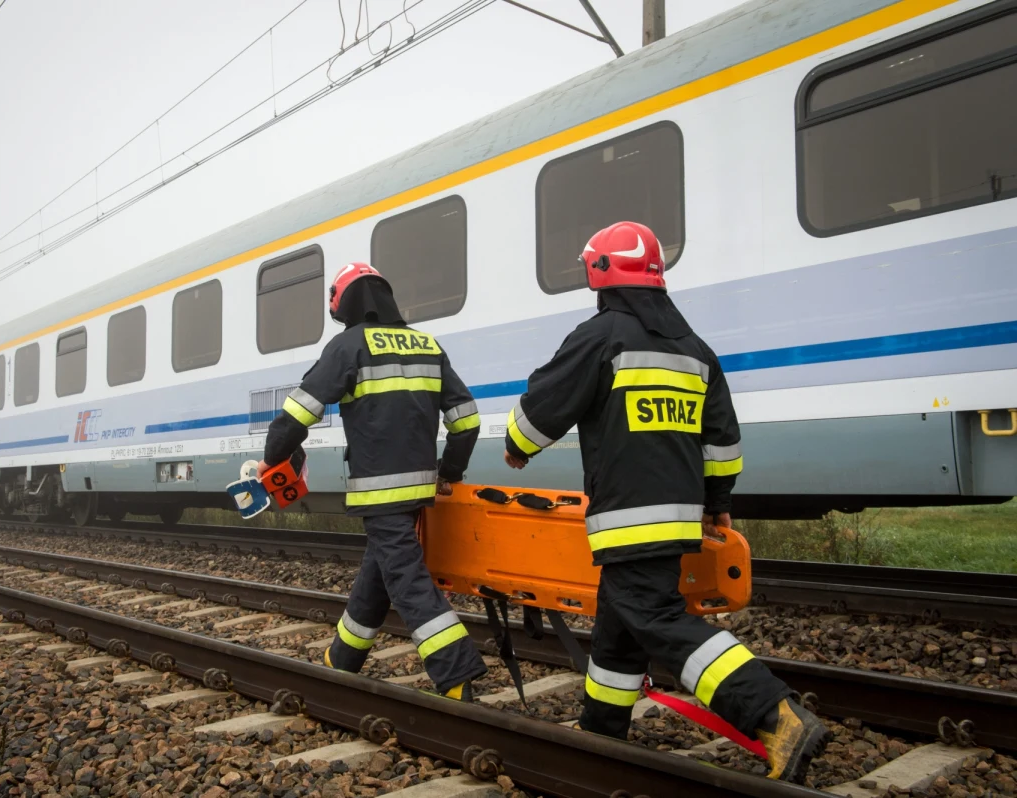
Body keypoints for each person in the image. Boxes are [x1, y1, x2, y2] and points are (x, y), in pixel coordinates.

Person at [503, 221, 828, 783]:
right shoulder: (695, 349)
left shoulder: (601, 337)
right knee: (619, 629)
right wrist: (718, 500)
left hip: (627, 518)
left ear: (599, 272)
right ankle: (601, 732)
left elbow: (542, 408)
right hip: (678, 517)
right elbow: (722, 440)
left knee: (655, 619)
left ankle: (774, 714)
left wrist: (516, 445)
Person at [261, 262, 487, 700]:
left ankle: (456, 671)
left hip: (379, 489)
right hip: (420, 487)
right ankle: (342, 659)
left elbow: (298, 413)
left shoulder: (349, 346)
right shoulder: (427, 344)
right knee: (380, 572)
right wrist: (449, 471)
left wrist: (272, 459)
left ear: (345, 303)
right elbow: (467, 421)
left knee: (405, 577)